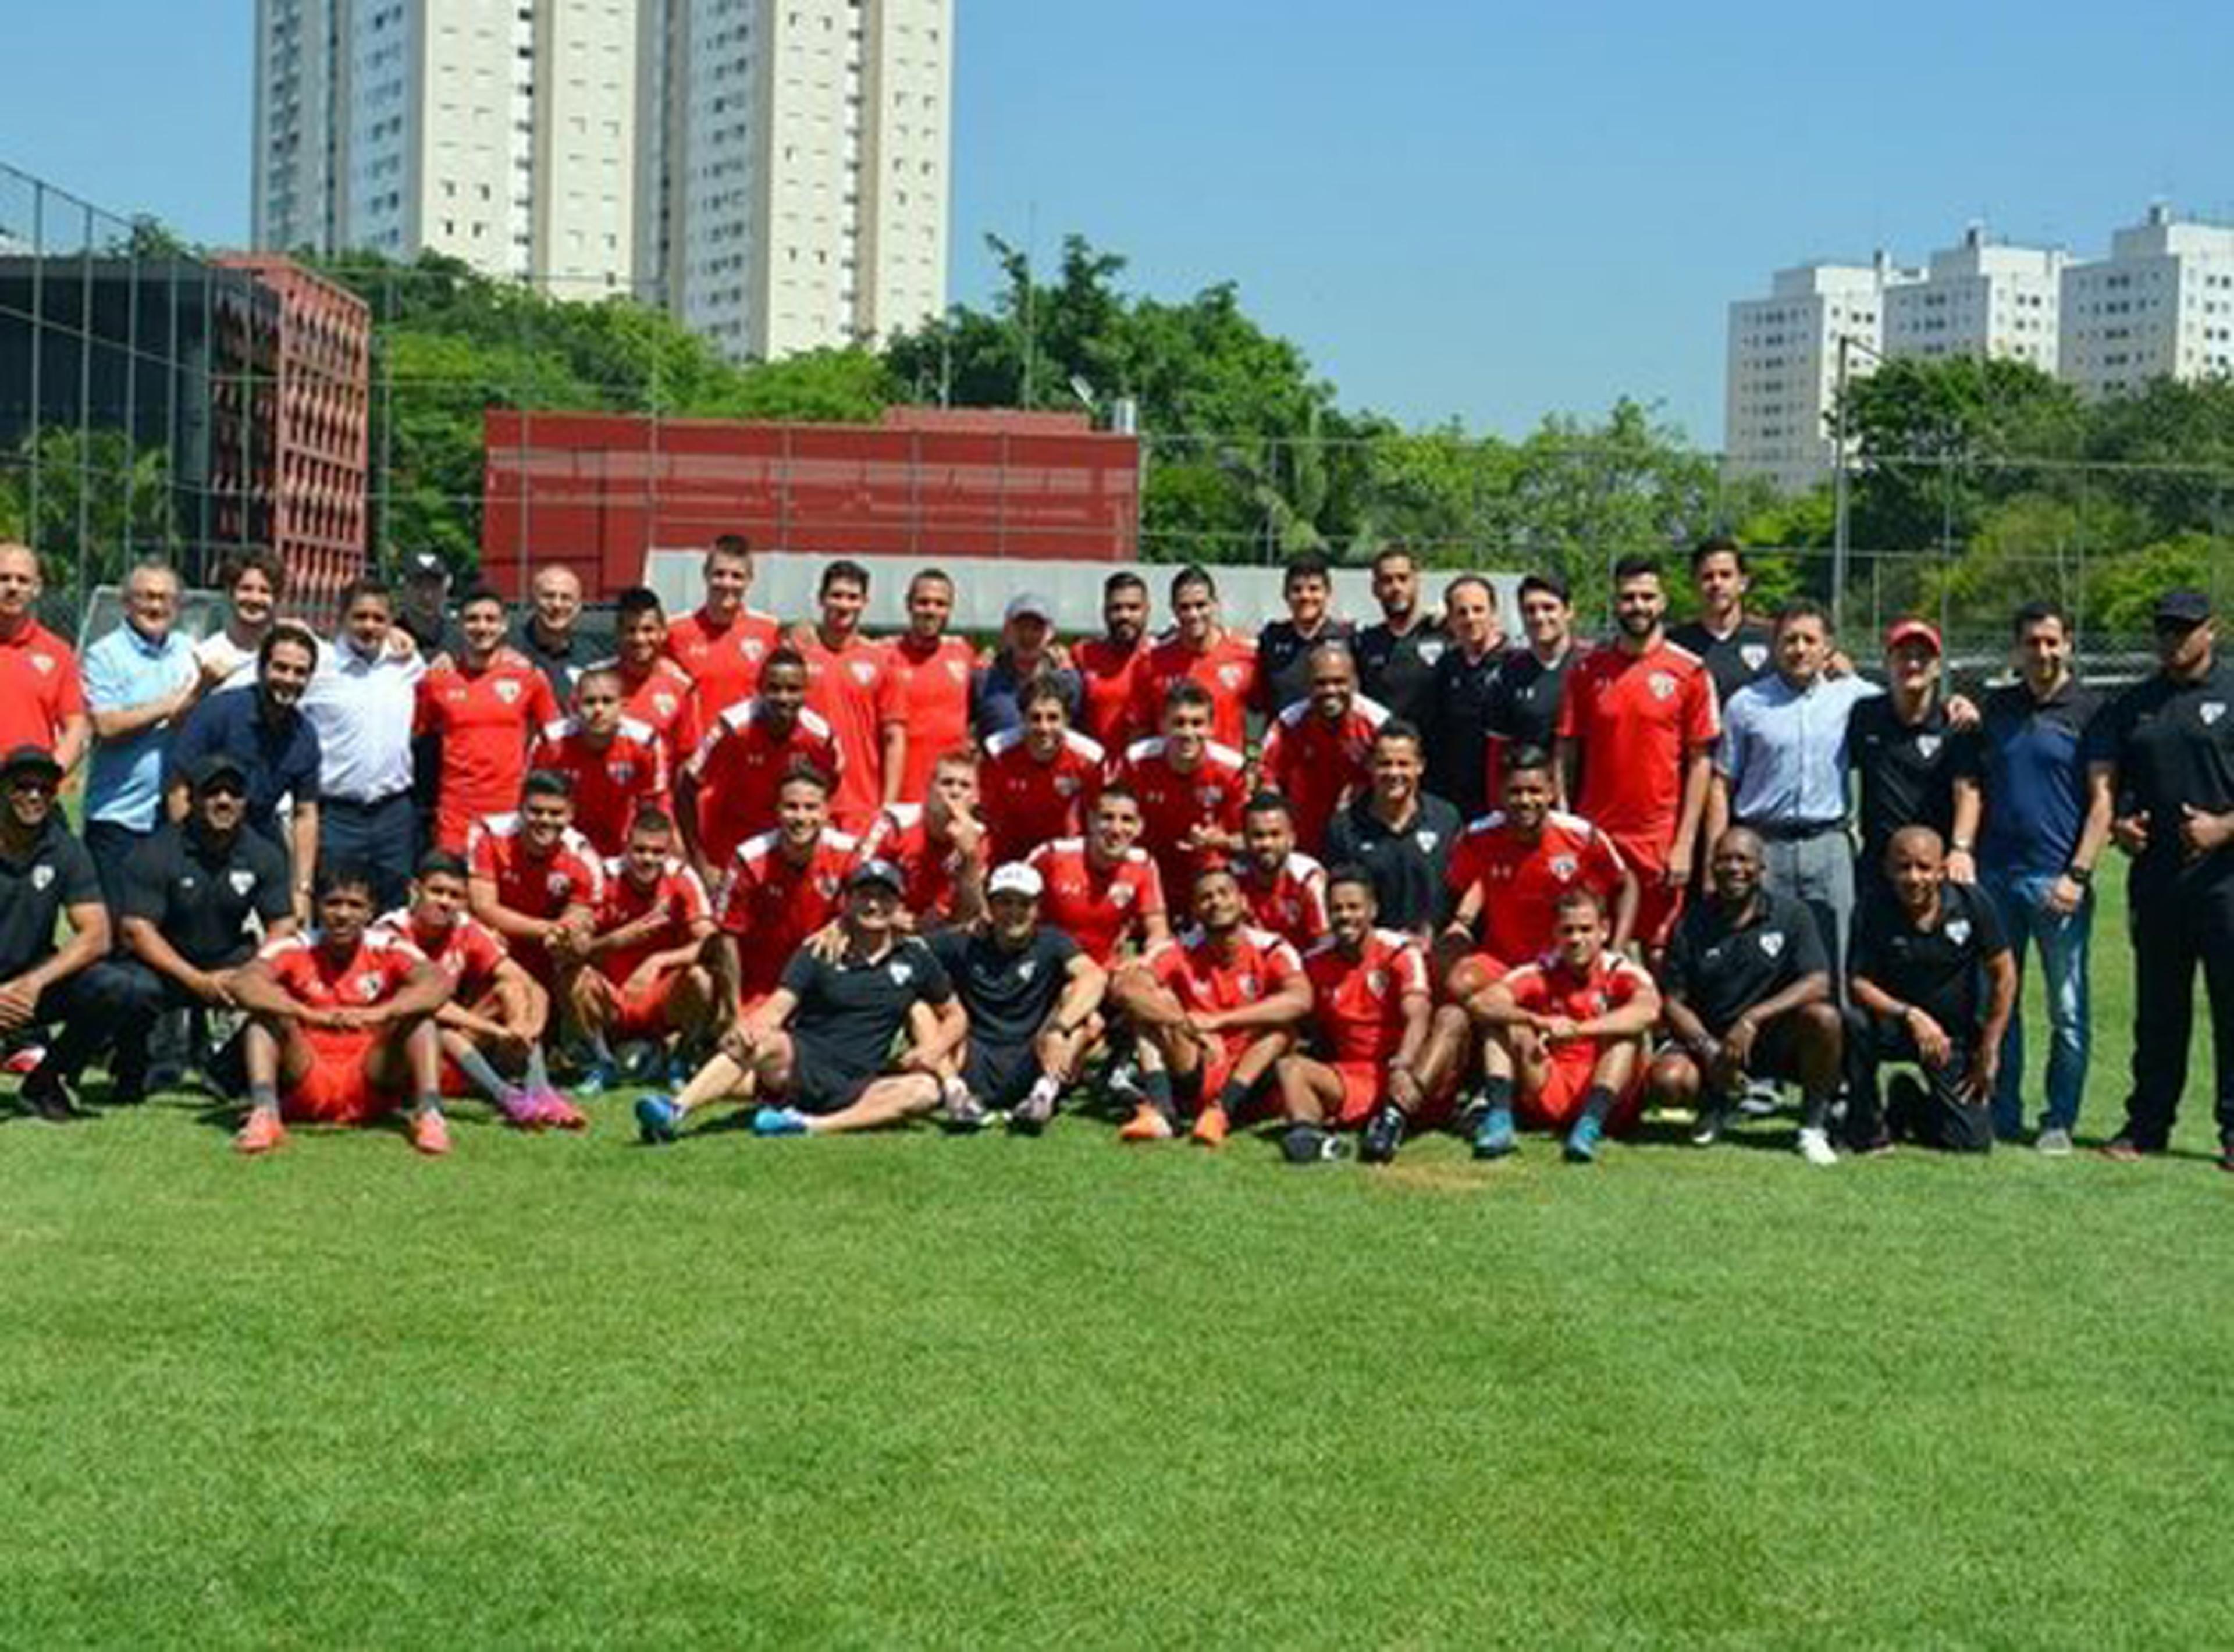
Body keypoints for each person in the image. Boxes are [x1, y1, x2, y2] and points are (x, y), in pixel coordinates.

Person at [637, 859, 968, 1142]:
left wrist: (935, 1050)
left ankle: (807, 1126)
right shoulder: (819, 950)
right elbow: (779, 1007)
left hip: (860, 1083)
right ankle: (675, 1110)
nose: (873, 906)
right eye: (864, 896)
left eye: (884, 898)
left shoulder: (916, 958)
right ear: (847, 902)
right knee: (763, 1038)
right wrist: (750, 1030)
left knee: (925, 1090)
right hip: (802, 1066)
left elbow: (956, 1015)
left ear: (897, 906)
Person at [1948, 600, 2110, 1152]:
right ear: (2017, 648)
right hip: (1996, 878)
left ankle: (2059, 1119)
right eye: (2032, 642)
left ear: (2068, 645)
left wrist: (2078, 874)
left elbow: (2102, 803)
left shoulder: (2090, 710)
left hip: (2057, 882)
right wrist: (1964, 848)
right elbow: (1972, 783)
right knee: (2001, 1005)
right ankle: (2005, 1111)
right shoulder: (1997, 709)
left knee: (2067, 1009)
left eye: (2052, 641)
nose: (2042, 652)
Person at [2087, 588, 2234, 1166]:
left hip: (2226, 881)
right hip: (2157, 882)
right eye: (2165, 629)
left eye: (2184, 628)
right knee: (2159, 1009)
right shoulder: (2134, 704)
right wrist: (2122, 824)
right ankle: (2147, 1124)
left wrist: (2225, 827)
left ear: (2211, 630)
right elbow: (2114, 787)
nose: (2172, 638)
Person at [79, 754, 297, 1107]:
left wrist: (255, 970)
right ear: (192, 798)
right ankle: (134, 1068)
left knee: (289, 981)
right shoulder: (156, 852)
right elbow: (136, 929)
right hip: (164, 962)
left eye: (234, 793)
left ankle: (228, 1070)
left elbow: (283, 924)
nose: (224, 801)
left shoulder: (264, 854)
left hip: (230, 959)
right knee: (128, 986)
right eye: (212, 792)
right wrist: (197, 980)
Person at [1647, 828, 1845, 1165]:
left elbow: (1818, 982)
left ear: (1762, 869)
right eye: (1724, 860)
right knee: (1669, 1083)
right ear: (1711, 867)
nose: (1734, 868)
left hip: (1769, 1037)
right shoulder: (1692, 921)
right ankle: (1718, 1103)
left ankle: (1812, 1127)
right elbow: (1673, 1001)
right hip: (1711, 1038)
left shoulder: (1792, 914)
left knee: (1824, 1018)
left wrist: (1753, 1018)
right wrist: (1707, 1048)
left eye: (1743, 860)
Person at [227, 863, 454, 1156]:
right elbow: (244, 982)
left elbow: (438, 983)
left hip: (370, 1077)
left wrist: (383, 1013)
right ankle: (265, 1113)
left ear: (371, 911)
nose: (343, 914)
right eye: (333, 903)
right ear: (318, 908)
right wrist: (303, 1012)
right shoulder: (295, 945)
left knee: (419, 1020)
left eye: (355, 905)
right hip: (307, 1075)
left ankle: (430, 1115)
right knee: (264, 1018)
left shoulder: (388, 946)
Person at [1712, 599, 1885, 980]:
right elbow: (1722, 783)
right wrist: (1718, 850)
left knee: (1838, 954)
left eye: (1810, 639)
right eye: (1790, 640)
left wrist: (1956, 705)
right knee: (1764, 958)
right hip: (1765, 846)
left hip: (1829, 845)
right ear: (1775, 646)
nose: (1800, 649)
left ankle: (1838, 1035)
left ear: (1828, 647)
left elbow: (1911, 702)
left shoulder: (1855, 697)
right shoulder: (1746, 705)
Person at [1554, 556, 1717, 954]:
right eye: (1628, 597)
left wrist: (1684, 842)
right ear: (1616, 602)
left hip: (1657, 836)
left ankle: (1655, 1018)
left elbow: (1701, 762)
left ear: (1663, 602)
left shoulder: (1690, 672)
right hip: (1598, 833)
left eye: (1647, 596)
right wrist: (1565, 823)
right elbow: (1565, 750)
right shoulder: (1587, 670)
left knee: (1660, 948)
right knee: (1591, 942)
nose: (1638, 606)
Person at [1110, 864, 1313, 1147]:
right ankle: (1162, 1112)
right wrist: (1183, 1023)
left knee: (1283, 1031)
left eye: (1223, 893)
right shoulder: (1179, 948)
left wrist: (1220, 1021)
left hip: (1250, 1074)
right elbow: (1125, 988)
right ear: (1194, 910)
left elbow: (1301, 1000)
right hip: (1197, 1062)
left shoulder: (1272, 948)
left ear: (1242, 902)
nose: (1215, 902)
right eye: (1205, 897)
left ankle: (1221, 1113)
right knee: (1152, 1006)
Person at [1845, 827, 2017, 1155]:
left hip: (1951, 1036)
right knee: (1853, 1023)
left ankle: (1909, 1103)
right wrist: (1910, 1014)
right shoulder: (1872, 907)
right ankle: (1866, 1124)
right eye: (1903, 867)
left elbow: (2004, 974)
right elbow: (1858, 982)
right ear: (1887, 869)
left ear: (1942, 870)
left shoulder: (1972, 903)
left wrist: (1990, 1047)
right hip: (1894, 1026)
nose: (1913, 878)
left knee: (1971, 1143)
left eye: (1924, 867)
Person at [376, 851, 577, 1129]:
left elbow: (527, 983)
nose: (445, 902)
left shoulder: (464, 927)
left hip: (455, 1056)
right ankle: (507, 1096)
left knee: (510, 989)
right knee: (433, 1022)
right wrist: (496, 1031)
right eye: (437, 892)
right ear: (415, 890)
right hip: (397, 1059)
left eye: (454, 896)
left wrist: (526, 1028)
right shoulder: (390, 933)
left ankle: (540, 1090)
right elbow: (430, 1005)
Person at [1279, 866, 1463, 1166]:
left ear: (1373, 910)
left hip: (1415, 1074)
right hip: (1356, 1075)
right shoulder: (1315, 962)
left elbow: (1418, 1014)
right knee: (1291, 1068)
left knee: (1453, 1017)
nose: (1345, 916)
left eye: (1354, 907)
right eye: (1336, 908)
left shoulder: (1399, 951)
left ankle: (1392, 1119)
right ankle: (1311, 1139)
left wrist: (1403, 1066)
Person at [1468, 888, 1662, 1163]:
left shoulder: (1621, 971)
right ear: (1555, 934)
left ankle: (1589, 1128)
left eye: (1586, 930)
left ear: (1604, 931)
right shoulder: (1541, 971)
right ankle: (1499, 1120)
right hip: (1550, 1086)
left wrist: (1580, 1029)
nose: (1576, 939)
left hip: (1608, 1097)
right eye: (1567, 930)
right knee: (1503, 1023)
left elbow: (1649, 1011)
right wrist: (1537, 1021)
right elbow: (1481, 1003)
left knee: (1627, 1035)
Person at [1442, 746, 1637, 996]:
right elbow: (1452, 888)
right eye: (1515, 792)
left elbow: (1626, 883)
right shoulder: (1477, 838)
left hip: (1565, 964)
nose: (1525, 801)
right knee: (1460, 983)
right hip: (1501, 961)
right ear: (1500, 793)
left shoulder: (1582, 836)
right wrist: (1458, 926)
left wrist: (1616, 949)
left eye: (1534, 791)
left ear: (1552, 792)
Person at [81, 560, 218, 910]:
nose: (156, 607)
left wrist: (198, 692)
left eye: (165, 599)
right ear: (127, 602)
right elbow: (106, 726)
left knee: (168, 924)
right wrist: (170, 704)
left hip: (175, 815)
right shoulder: (104, 655)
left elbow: (193, 721)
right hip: (118, 816)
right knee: (117, 926)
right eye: (146, 597)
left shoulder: (190, 651)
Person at [931, 861, 1107, 1132]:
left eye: (1023, 903)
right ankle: (955, 1093)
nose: (1013, 912)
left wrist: (1058, 1028)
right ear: (990, 907)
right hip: (972, 1058)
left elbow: (1095, 977)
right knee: (923, 1005)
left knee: (1083, 1009)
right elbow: (909, 953)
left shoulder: (1052, 942)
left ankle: (1043, 1094)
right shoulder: (963, 943)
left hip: (1035, 1057)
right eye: (1004, 903)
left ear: (1037, 909)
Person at [165, 622, 323, 910]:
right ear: (262, 669)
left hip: (260, 843)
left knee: (282, 931)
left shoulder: (305, 735)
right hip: (202, 841)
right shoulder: (218, 712)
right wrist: (185, 857)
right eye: (281, 668)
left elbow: (305, 813)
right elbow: (178, 786)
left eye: (300, 672)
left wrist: (302, 889)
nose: (289, 679)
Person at [0, 747, 115, 1120]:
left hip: (28, 989)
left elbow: (97, 934)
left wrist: (32, 984)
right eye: (23, 786)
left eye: (45, 789)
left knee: (117, 987)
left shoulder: (65, 849)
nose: (34, 796)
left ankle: (45, 1082)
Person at [301, 577, 426, 912]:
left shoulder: (409, 665)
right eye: (360, 616)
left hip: (394, 814)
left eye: (378, 618)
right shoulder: (318, 668)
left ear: (391, 621)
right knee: (336, 913)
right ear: (341, 617)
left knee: (394, 913)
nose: (369, 626)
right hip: (336, 816)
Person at [572, 809, 717, 1091]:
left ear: (669, 852)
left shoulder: (682, 878)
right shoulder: (603, 876)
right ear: (625, 845)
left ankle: (681, 1059)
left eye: (657, 852)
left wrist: (659, 960)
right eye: (639, 850)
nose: (648, 859)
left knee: (701, 978)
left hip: (661, 999)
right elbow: (577, 949)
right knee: (575, 975)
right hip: (613, 997)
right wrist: (618, 940)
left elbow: (713, 943)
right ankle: (602, 1062)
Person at [675, 647, 844, 884]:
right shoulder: (732, 728)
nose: (784, 698)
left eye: (793, 689)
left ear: (806, 691)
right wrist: (701, 863)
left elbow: (831, 783)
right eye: (774, 688)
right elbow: (686, 784)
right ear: (759, 689)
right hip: (731, 850)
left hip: (788, 847)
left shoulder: (820, 737)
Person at [414, 585, 560, 853]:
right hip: (455, 816)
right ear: (459, 625)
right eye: (473, 619)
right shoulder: (437, 680)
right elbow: (420, 734)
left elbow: (557, 739)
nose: (482, 627)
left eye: (491, 619)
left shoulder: (529, 677)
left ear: (504, 626)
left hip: (510, 814)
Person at [710, 767, 861, 1012]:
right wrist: (734, 1011)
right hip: (762, 985)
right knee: (753, 1045)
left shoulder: (849, 853)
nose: (801, 818)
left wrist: (844, 922)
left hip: (826, 978)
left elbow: (876, 909)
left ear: (827, 812)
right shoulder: (749, 860)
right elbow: (727, 937)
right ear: (777, 811)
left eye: (811, 807)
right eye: (792, 807)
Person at [1847, 620, 1961, 901]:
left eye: (1922, 657)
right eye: (1904, 656)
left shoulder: (1955, 722)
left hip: (1935, 865)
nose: (1912, 665)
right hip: (1880, 866)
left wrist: (1961, 848)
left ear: (1937, 667)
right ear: (1888, 663)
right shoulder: (1864, 715)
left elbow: (1969, 791)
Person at [464, 771, 604, 991]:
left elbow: (578, 917)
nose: (545, 820)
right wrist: (546, 929)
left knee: (580, 946)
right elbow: (483, 907)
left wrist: (562, 933)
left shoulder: (584, 858)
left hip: (547, 948)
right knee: (483, 935)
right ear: (520, 808)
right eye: (536, 811)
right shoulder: (488, 833)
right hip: (501, 937)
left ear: (571, 815)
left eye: (555, 813)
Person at [1321, 721, 1462, 939]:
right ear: (1369, 765)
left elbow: (1462, 884)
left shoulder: (1446, 819)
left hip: (1434, 949)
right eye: (1385, 764)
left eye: (1403, 764)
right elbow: (1339, 902)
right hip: (1372, 955)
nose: (1394, 773)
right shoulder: (1344, 828)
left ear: (1420, 766)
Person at [794, 558, 906, 832]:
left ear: (865, 602)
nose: (844, 605)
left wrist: (888, 806)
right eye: (837, 596)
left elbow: (894, 737)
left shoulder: (881, 661)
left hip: (862, 803)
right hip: (804, 799)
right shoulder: (798, 655)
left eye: (853, 597)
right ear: (821, 599)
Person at [1112, 680, 1248, 902]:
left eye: (1197, 723)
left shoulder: (1232, 769)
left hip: (1207, 875)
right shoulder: (1136, 761)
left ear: (1212, 727)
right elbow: (1108, 820)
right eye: (1179, 723)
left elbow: (1249, 840)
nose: (1188, 733)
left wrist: (1218, 841)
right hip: (1148, 868)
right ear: (1163, 724)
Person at [525, 665, 672, 859]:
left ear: (623, 704)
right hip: (563, 848)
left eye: (607, 701)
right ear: (575, 705)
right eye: (590, 702)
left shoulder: (645, 743)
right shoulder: (550, 742)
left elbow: (655, 807)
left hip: (622, 850)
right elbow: (529, 799)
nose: (598, 710)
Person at [1257, 643, 1388, 855]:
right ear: (1307, 685)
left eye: (1339, 682)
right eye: (1321, 683)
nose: (1330, 691)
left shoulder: (1378, 724)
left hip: (1363, 842)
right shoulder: (1288, 724)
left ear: (1355, 683)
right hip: (1305, 843)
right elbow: (1264, 778)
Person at [1025, 786, 1171, 968]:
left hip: (1108, 966)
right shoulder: (1052, 855)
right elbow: (1009, 905)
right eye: (1107, 818)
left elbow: (1158, 930)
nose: (1116, 829)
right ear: (1091, 820)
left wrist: (1144, 959)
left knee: (1141, 990)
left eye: (1127, 820)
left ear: (1139, 827)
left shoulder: (1143, 864)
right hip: (1048, 964)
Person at [979, 678, 1106, 868]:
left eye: (1053, 718)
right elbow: (986, 817)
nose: (1044, 728)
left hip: (1060, 856)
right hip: (1007, 856)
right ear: (1022, 719)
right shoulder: (998, 753)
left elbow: (1096, 820)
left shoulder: (1088, 758)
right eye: (1035, 718)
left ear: (1067, 720)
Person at [1129, 565, 1258, 751]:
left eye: (1200, 605)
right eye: (1185, 607)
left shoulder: (1247, 655)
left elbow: (1262, 717)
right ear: (1173, 609)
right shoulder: (1151, 661)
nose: (1193, 615)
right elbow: (1139, 730)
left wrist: (1252, 761)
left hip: (1226, 775)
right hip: (1171, 775)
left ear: (1215, 604)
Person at [858, 750, 988, 929]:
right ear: (929, 788)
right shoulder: (896, 824)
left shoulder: (980, 838)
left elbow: (973, 914)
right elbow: (857, 887)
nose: (955, 792)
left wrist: (969, 857)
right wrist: (890, 914)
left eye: (965, 786)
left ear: (976, 798)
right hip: (888, 927)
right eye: (947, 783)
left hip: (943, 936)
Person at [663, 534, 781, 728]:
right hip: (693, 754)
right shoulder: (676, 631)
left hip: (747, 750)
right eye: (719, 574)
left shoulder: (769, 631)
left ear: (750, 579)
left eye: (737, 576)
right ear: (705, 574)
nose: (727, 583)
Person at [1481, 573, 1582, 788]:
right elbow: (1497, 755)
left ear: (1569, 611)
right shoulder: (1507, 675)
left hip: (1589, 805)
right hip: (1530, 805)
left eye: (1549, 608)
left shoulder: (1591, 667)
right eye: (1530, 610)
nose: (1539, 617)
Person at [887, 568, 977, 799]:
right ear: (908, 604)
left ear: (950, 609)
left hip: (953, 791)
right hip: (902, 792)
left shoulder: (963, 654)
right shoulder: (885, 655)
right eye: (923, 602)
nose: (931, 610)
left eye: (940, 604)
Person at [1421, 575, 1507, 819]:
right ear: (1450, 619)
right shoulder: (1445, 667)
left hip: (1500, 799)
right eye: (1462, 612)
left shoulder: (1515, 664)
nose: (1471, 619)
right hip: (1453, 798)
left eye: (1478, 610)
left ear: (1494, 613)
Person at [0, 542, 89, 770]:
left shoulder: (58, 653)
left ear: (37, 588)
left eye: (23, 580)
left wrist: (50, 776)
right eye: (4, 578)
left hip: (30, 795)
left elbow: (76, 725)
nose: (13, 587)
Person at [596, 586, 702, 775]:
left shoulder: (681, 687)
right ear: (618, 633)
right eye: (631, 630)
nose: (639, 639)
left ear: (663, 632)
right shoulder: (595, 681)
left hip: (656, 800)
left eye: (648, 630)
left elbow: (687, 757)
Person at [1667, 535, 1775, 713]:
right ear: (1694, 584)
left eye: (1725, 575)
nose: (1716, 583)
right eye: (1707, 577)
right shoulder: (1675, 644)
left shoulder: (1773, 638)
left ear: (1743, 583)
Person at [1353, 544, 1447, 730]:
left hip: (1436, 754)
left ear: (1416, 582)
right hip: (1385, 754)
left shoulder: (1445, 634)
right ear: (1375, 588)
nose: (1396, 587)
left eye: (1403, 579)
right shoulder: (1363, 643)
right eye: (1387, 580)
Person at [972, 590, 1082, 741]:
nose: (1028, 636)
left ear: (1050, 633)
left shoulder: (1068, 682)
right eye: (1021, 627)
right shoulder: (984, 679)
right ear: (1007, 630)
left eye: (1037, 628)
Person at [1254, 552, 1353, 718]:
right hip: (1285, 739)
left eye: (1314, 589)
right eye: (1297, 590)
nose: (1305, 596)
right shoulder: (1271, 638)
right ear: (1285, 595)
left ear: (1328, 593)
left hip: (1333, 740)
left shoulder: (1348, 638)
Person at [1233, 792, 1330, 952]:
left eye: (1275, 834)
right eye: (1258, 835)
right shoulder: (1232, 879)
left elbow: (1325, 945)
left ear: (1292, 839)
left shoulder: (1308, 877)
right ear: (1244, 840)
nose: (1266, 844)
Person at [1075, 571, 1155, 750]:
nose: (1125, 615)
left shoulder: (1161, 658)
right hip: (1095, 772)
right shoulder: (1083, 654)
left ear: (1147, 610)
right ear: (1105, 611)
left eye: (1133, 608)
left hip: (1144, 773)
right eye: (1117, 608)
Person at [191, 547, 287, 692]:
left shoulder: (293, 653)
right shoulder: (205, 655)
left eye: (265, 591)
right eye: (246, 589)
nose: (255, 599)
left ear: (277, 598)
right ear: (230, 592)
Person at [516, 563, 589, 705]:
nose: (557, 605)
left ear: (578, 606)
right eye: (549, 596)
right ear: (533, 601)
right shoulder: (508, 653)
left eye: (566, 598)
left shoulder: (592, 661)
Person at [395, 551, 461, 657]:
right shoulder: (387, 637)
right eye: (418, 585)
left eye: (435, 586)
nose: (427, 595)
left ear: (447, 587)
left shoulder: (461, 640)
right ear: (403, 587)